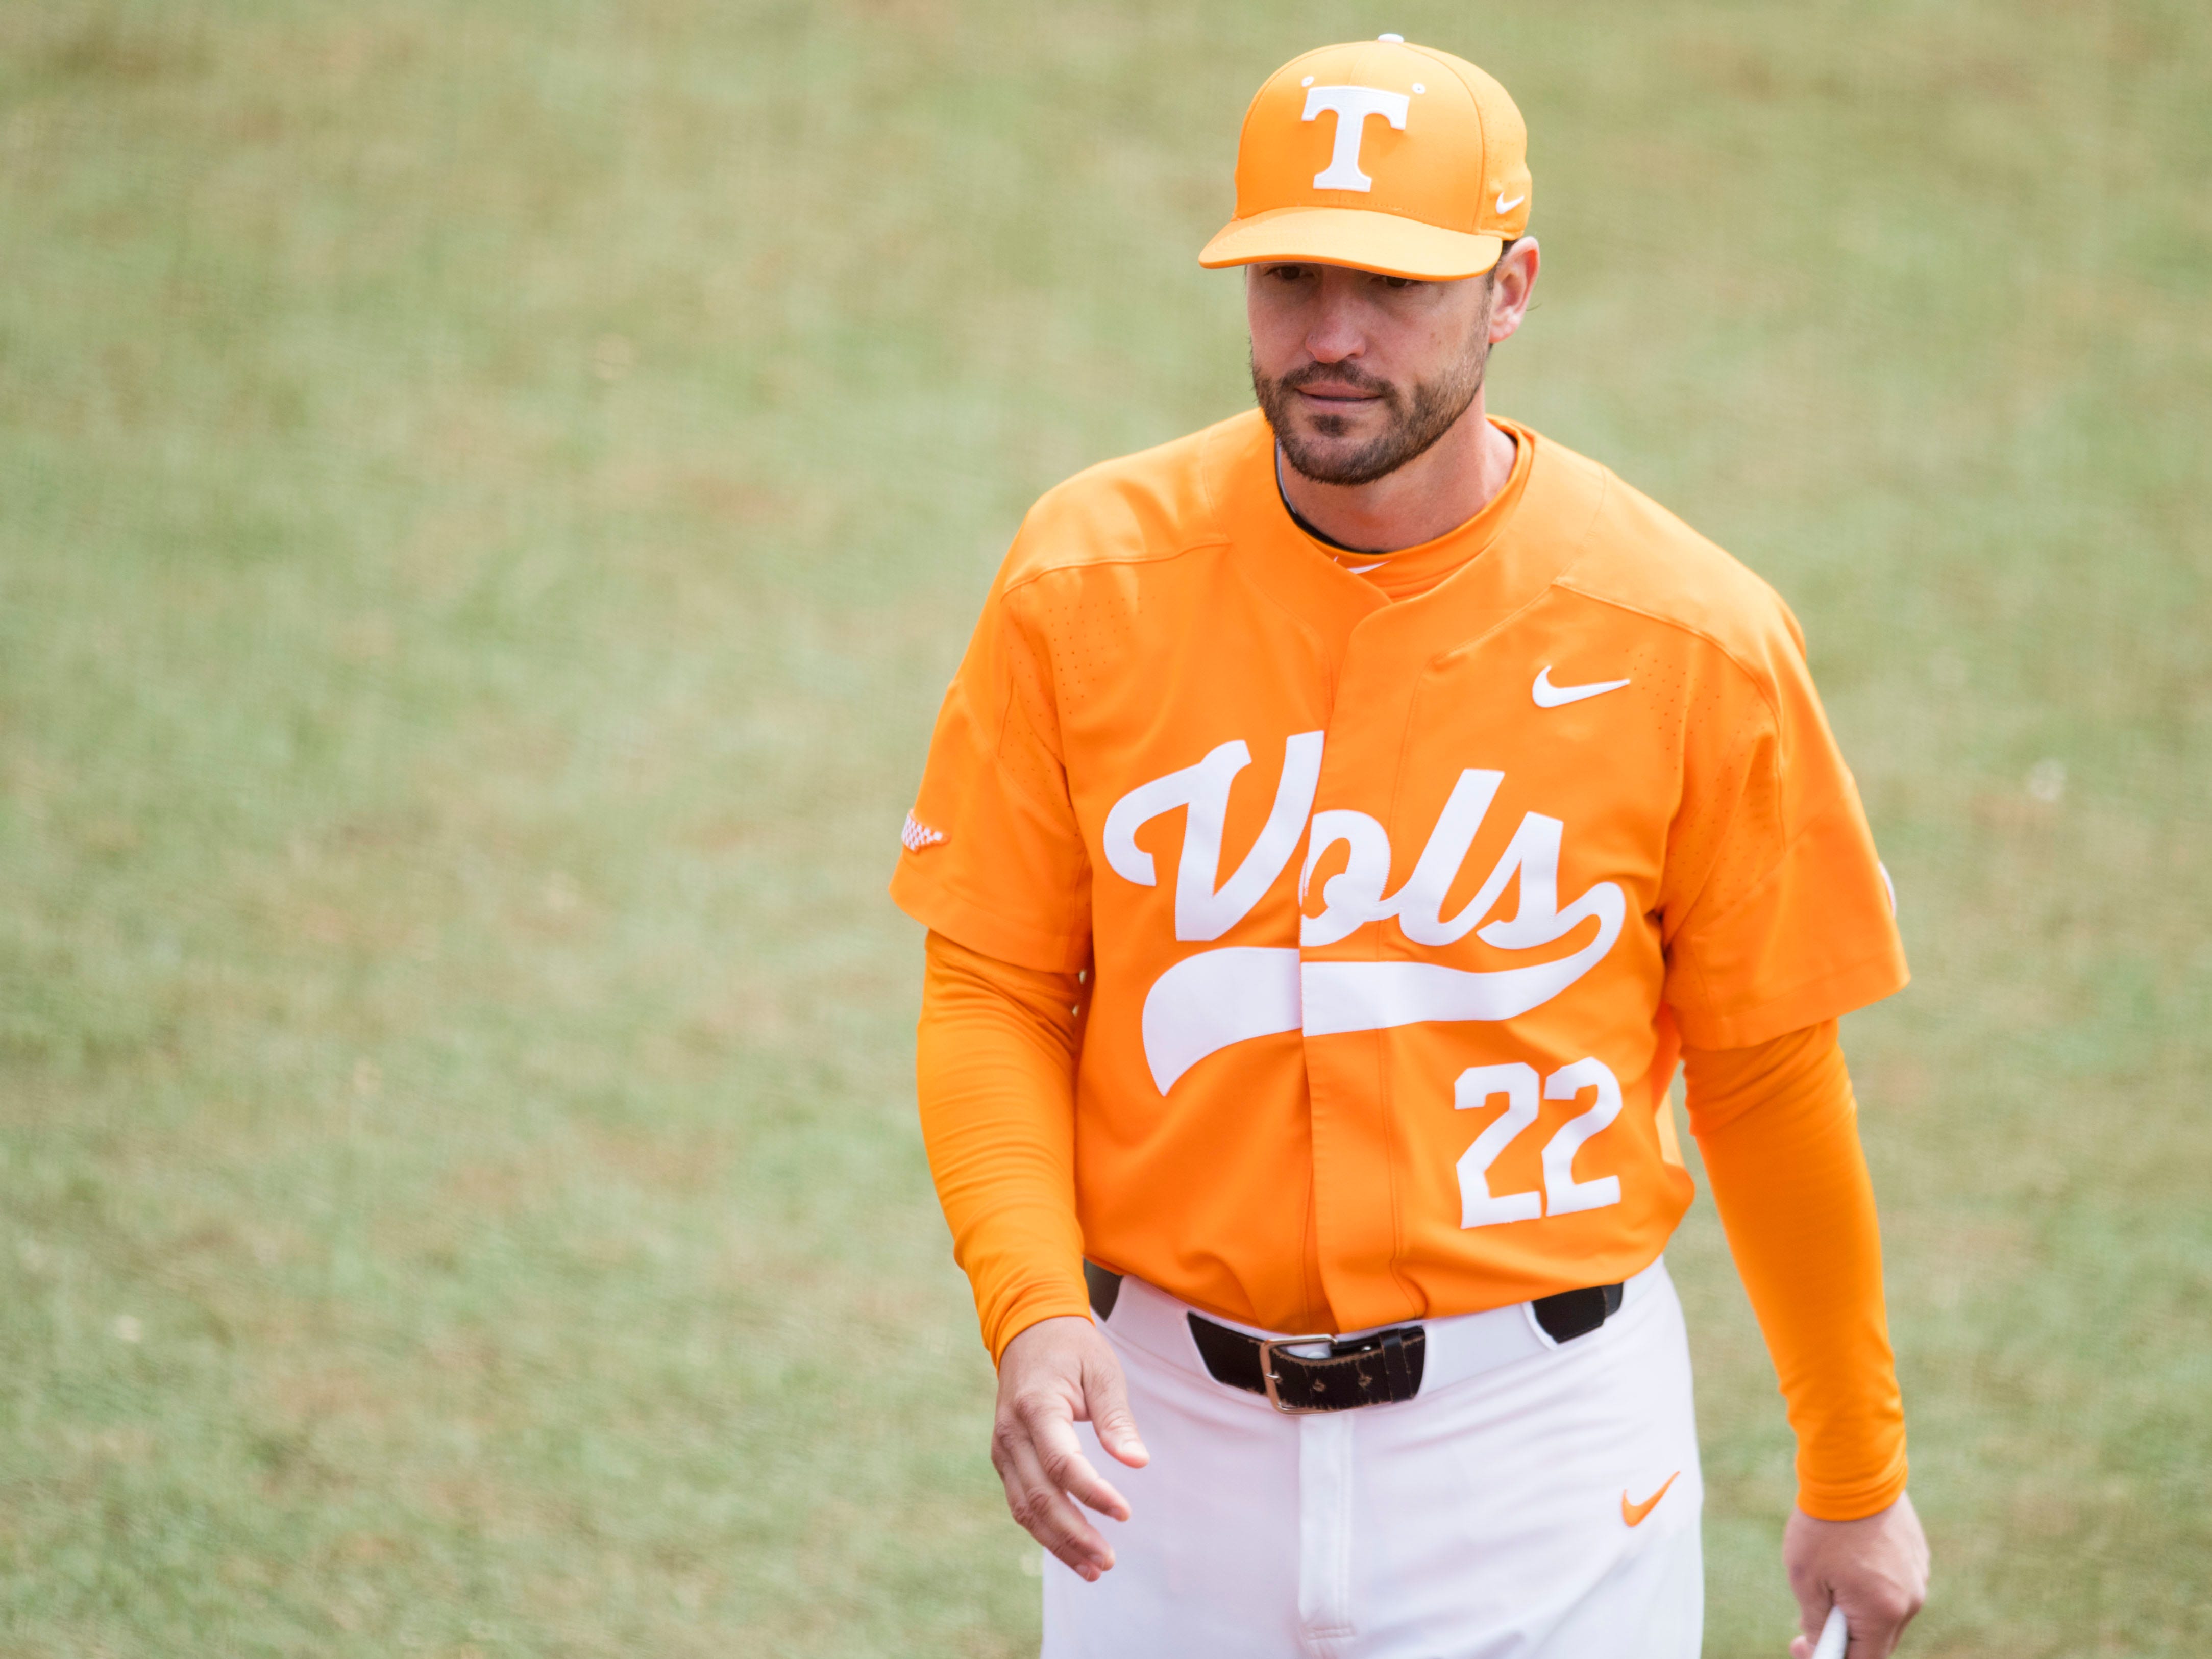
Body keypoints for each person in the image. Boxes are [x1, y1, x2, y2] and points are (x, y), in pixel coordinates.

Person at [892, 35, 1929, 1659]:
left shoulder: (1691, 637)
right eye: (1291, 277)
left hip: (1542, 1449)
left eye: (1395, 284)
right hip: (1161, 1443)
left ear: (1511, 291)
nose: (1332, 338)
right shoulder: (1082, 579)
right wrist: (1029, 1310)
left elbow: (1766, 1073)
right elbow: (994, 991)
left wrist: (1856, 1470)